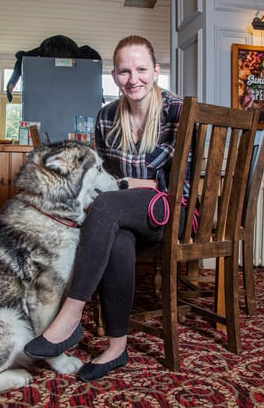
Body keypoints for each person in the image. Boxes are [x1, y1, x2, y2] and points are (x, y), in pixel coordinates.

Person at [24, 35, 188, 382]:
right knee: (115, 233)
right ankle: (117, 347)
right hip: (124, 214)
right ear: (114, 76)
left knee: (110, 203)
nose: (134, 79)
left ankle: (70, 317)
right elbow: (102, 178)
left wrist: (130, 185)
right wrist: (125, 187)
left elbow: (178, 185)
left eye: (142, 69)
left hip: (171, 212)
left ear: (156, 71)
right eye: (125, 72)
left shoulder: (177, 111)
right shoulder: (106, 116)